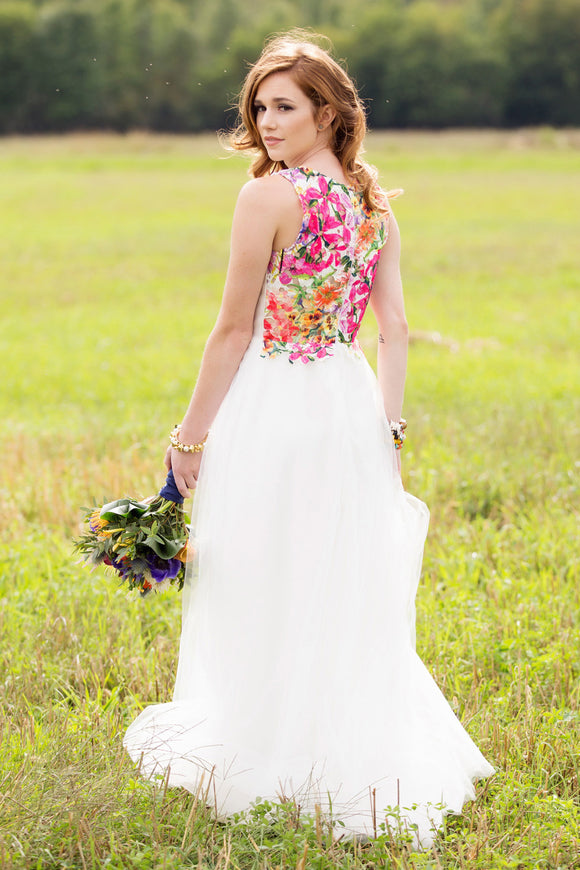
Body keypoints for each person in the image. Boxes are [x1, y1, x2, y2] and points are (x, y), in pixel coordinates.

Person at [124, 31, 494, 848]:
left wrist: (189, 439)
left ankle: (270, 752)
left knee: (259, 569)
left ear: (329, 112)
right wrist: (387, 428)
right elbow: (393, 331)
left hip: (276, 399)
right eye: (258, 107)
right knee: (332, 574)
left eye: (284, 106)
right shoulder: (372, 202)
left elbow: (230, 334)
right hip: (346, 402)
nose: (266, 121)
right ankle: (333, 747)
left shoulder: (266, 198)